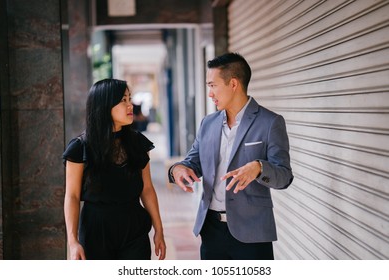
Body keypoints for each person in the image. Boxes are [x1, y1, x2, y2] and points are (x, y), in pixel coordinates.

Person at [168, 52, 293, 260]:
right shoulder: (207, 123)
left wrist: (259, 168)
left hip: (252, 234)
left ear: (233, 84)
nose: (210, 93)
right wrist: (177, 169)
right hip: (211, 230)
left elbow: (284, 176)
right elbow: (193, 161)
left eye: (212, 85)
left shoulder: (270, 122)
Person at [63, 78, 166, 260]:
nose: (130, 105)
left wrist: (159, 229)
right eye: (123, 100)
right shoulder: (80, 148)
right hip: (96, 230)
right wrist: (73, 241)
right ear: (104, 106)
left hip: (134, 228)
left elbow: (147, 189)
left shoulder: (138, 143)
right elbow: (72, 196)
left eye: (130, 98)